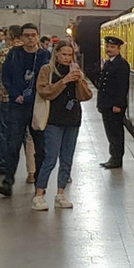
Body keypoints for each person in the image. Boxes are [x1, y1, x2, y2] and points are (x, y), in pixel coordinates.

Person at [29, 39, 92, 211]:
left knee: (67, 158)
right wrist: (64, 81)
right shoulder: (47, 70)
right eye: (63, 54)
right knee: (50, 157)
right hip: (53, 119)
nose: (66, 58)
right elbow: (44, 91)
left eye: (70, 55)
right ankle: (39, 193)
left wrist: (78, 79)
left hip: (72, 119)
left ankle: (61, 192)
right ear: (56, 54)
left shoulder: (75, 71)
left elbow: (86, 95)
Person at [0, 25, 47, 195]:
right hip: (17, 105)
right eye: (27, 36)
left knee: (40, 145)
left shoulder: (44, 55)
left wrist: (33, 96)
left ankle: (39, 180)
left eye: (33, 35)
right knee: (12, 144)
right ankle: (8, 180)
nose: (30, 39)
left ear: (37, 37)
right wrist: (15, 95)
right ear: (21, 37)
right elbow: (6, 76)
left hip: (37, 105)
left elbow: (46, 78)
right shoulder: (14, 54)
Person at [95, 35, 131, 170]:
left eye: (112, 47)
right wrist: (101, 103)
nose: (109, 49)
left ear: (118, 49)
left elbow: (122, 86)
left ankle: (117, 159)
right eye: (108, 47)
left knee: (115, 132)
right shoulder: (109, 62)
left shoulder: (121, 64)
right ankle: (113, 157)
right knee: (110, 131)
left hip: (114, 105)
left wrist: (118, 104)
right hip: (107, 104)